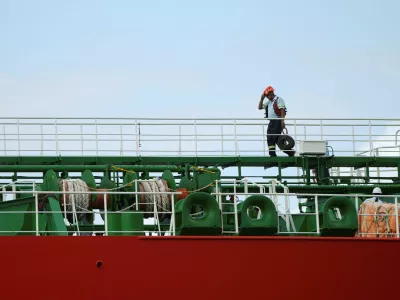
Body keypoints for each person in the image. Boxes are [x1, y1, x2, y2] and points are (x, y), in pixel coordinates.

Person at [258, 86, 294, 157]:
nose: (267, 98)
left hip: (278, 121)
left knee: (275, 137)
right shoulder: (269, 102)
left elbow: (282, 110)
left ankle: (290, 152)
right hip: (271, 122)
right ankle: (272, 154)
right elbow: (260, 107)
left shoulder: (278, 100)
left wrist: (282, 121)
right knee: (269, 136)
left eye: (267, 96)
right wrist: (262, 99)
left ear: (271, 94)